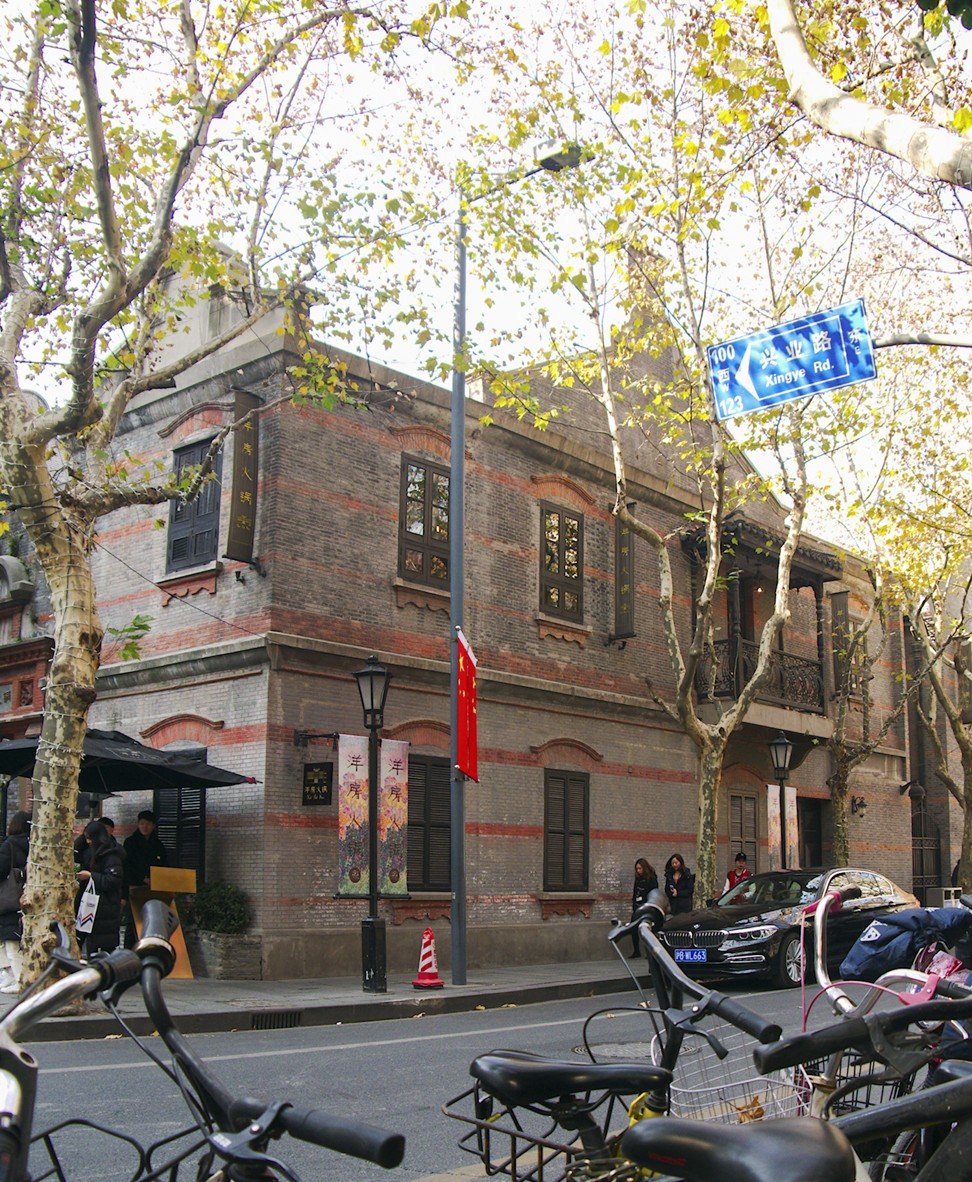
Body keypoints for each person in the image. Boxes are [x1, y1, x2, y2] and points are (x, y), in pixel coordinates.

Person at [76, 820, 125, 956]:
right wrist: (82, 835)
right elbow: (75, 853)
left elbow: (113, 881)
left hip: (105, 908)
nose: (88, 842)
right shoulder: (91, 852)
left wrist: (91, 876)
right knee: (85, 942)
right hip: (90, 906)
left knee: (103, 949)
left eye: (89, 838)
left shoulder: (112, 855)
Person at [122, 810, 168, 948]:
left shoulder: (158, 844)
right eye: (142, 824)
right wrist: (142, 878)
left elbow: (164, 865)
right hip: (135, 887)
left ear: (153, 826)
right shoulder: (130, 842)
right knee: (132, 922)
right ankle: (128, 951)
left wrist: (157, 879)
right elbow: (127, 865)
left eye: (147, 824)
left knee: (151, 921)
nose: (144, 827)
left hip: (154, 888)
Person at [0, 812, 30, 994]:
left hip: (9, 899)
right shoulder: (36, 845)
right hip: (29, 896)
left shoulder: (9, 845)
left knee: (10, 940)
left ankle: (16, 978)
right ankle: (13, 976)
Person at [628, 858, 658, 958]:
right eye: (637, 869)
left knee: (648, 929)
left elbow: (654, 892)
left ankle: (649, 951)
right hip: (637, 906)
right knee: (633, 928)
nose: (638, 871)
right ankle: (636, 951)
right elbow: (635, 891)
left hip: (647, 906)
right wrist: (634, 903)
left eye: (640, 868)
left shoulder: (651, 878)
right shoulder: (638, 878)